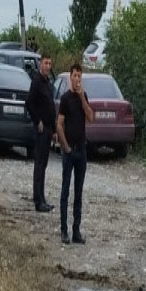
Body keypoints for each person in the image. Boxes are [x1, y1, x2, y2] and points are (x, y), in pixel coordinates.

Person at [56, 63, 94, 245]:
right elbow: (58, 124)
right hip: (69, 150)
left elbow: (91, 117)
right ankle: (63, 230)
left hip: (82, 149)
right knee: (65, 190)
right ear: (70, 77)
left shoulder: (83, 96)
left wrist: (82, 98)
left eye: (80, 76)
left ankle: (76, 230)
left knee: (78, 193)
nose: (77, 79)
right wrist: (65, 146)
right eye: (75, 75)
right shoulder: (64, 98)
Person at [24, 55, 55, 213]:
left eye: (50, 63)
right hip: (41, 129)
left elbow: (51, 106)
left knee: (44, 163)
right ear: (40, 65)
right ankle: (38, 200)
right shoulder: (36, 82)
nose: (48, 66)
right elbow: (29, 102)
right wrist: (38, 121)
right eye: (45, 63)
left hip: (49, 128)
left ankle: (42, 198)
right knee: (39, 164)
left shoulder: (47, 83)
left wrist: (54, 129)